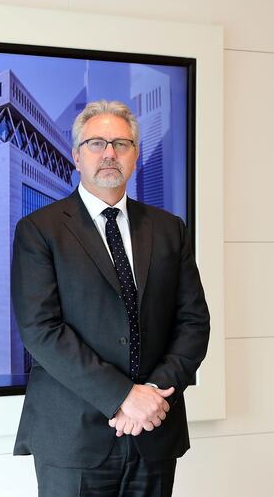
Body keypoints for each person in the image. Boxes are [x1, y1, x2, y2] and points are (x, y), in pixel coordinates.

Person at [11, 100, 210, 496]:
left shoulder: (170, 230)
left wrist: (152, 395)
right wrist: (122, 397)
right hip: (73, 437)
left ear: (134, 154)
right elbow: (41, 330)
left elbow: (193, 322)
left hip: (154, 430)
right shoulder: (39, 230)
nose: (109, 153)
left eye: (121, 143)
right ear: (76, 155)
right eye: (96, 143)